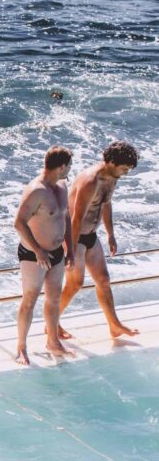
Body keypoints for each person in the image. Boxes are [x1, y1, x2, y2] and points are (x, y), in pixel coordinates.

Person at [58, 141, 141, 339]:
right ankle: (52, 323)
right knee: (75, 284)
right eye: (124, 168)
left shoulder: (112, 177)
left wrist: (110, 234)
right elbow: (76, 218)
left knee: (103, 280)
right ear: (111, 162)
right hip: (73, 236)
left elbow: (106, 203)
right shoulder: (91, 181)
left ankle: (115, 325)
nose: (126, 173)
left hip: (91, 236)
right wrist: (70, 250)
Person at [13, 147, 74, 365]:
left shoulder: (62, 185)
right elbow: (18, 223)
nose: (69, 170)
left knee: (54, 297)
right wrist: (38, 251)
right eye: (69, 166)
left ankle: (53, 341)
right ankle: (21, 347)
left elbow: (65, 217)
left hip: (57, 252)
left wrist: (71, 249)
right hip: (33, 254)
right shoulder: (36, 191)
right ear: (61, 167)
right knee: (29, 299)